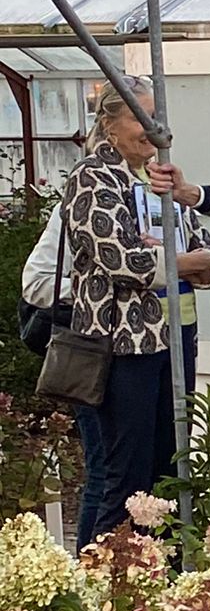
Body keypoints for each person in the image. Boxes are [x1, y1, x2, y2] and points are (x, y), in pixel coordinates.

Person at [61, 76, 210, 544]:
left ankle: (160, 588)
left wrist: (189, 262)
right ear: (110, 124)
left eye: (157, 119)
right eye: (140, 117)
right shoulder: (93, 177)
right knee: (124, 479)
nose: (152, 130)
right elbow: (121, 262)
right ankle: (101, 591)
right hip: (122, 345)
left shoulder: (163, 177)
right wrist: (181, 263)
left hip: (175, 341)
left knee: (167, 476)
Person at [22, 200, 107, 548]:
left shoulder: (156, 199)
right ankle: (91, 570)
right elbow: (37, 284)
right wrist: (97, 289)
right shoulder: (75, 206)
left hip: (149, 358)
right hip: (88, 356)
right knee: (102, 467)